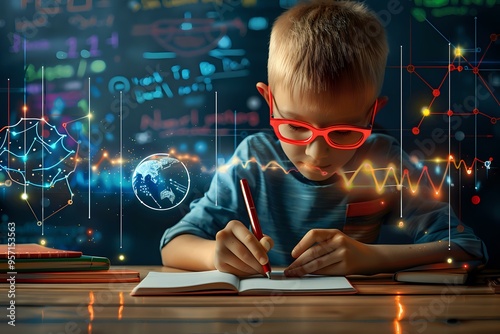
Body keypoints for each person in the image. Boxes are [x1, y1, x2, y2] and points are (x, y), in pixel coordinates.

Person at [160, 0, 487, 277]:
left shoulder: (382, 162)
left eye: (344, 132)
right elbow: (174, 244)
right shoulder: (251, 159)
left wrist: (371, 259)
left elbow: (466, 248)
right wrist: (214, 257)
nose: (316, 154)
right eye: (295, 127)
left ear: (372, 115)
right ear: (268, 101)